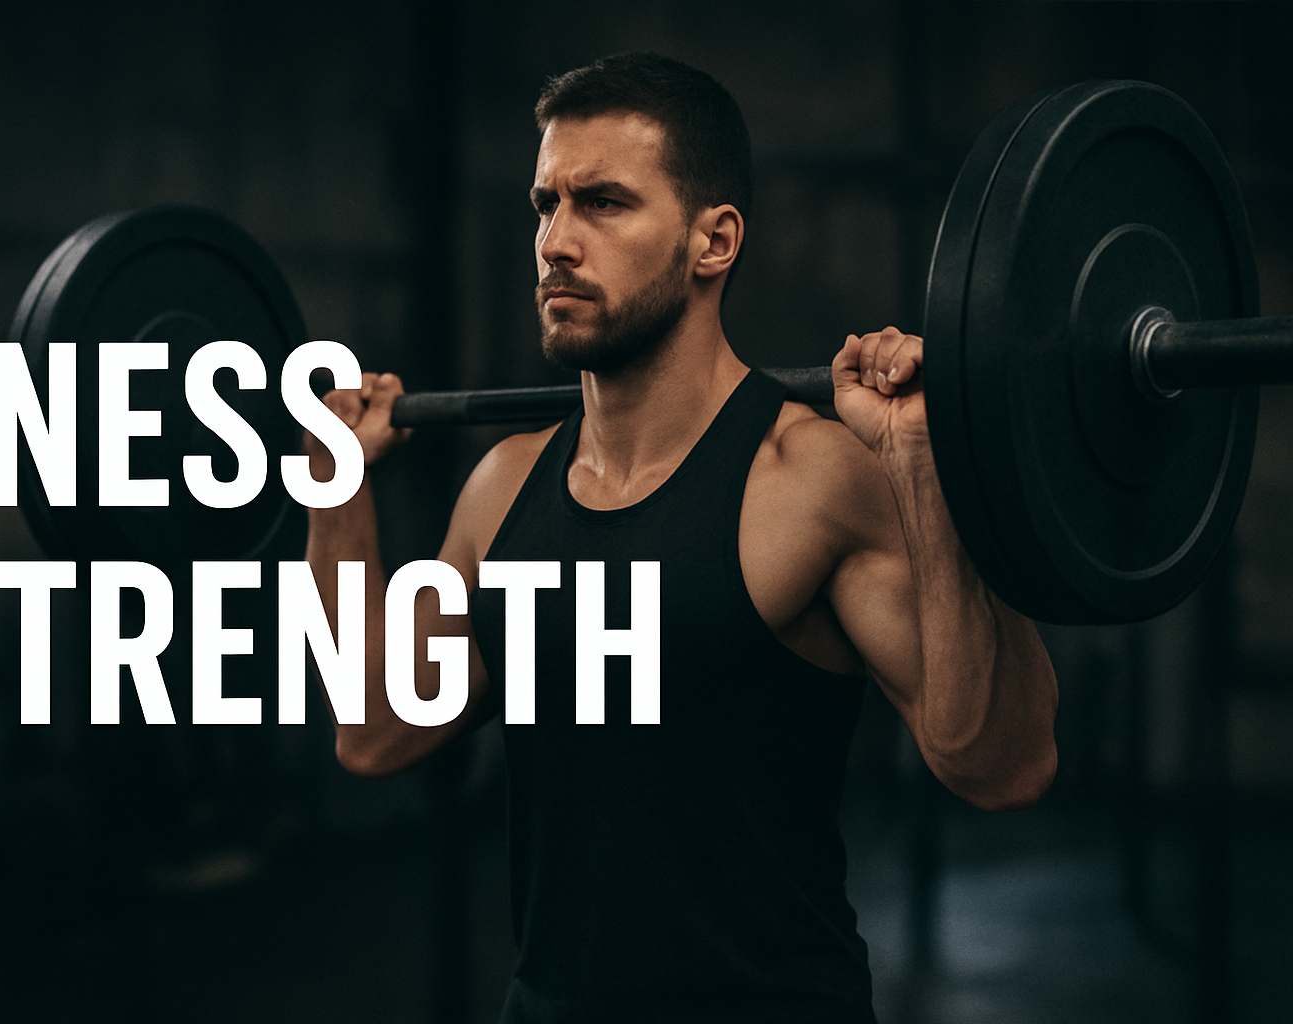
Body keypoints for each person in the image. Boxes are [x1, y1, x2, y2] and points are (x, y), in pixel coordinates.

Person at [303, 52, 1058, 1024]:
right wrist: (335, 486)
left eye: (604, 203)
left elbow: (1000, 763)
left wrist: (920, 467)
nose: (557, 243)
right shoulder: (505, 488)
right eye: (546, 205)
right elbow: (375, 731)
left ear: (714, 241)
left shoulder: (811, 479)